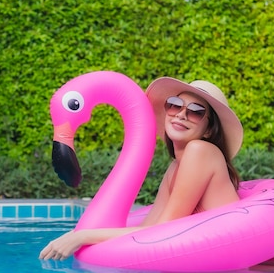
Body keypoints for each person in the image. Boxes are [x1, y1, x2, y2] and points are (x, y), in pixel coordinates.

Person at [39, 76, 244, 261]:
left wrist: (83, 236)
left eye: (196, 112)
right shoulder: (176, 167)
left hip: (236, 263)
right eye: (174, 105)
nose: (181, 114)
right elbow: (147, 229)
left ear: (209, 130)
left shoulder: (200, 151)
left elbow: (162, 230)